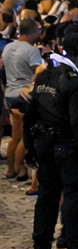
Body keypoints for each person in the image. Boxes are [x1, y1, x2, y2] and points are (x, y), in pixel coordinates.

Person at [26, 32, 78, 249]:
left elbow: (30, 114)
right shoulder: (74, 80)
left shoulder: (44, 76)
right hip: (67, 147)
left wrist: (30, 147)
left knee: (46, 198)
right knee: (75, 199)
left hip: (44, 145)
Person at [3, 17, 43, 182]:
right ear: (32, 32)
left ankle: (10, 169)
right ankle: (20, 169)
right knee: (26, 137)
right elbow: (39, 71)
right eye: (38, 30)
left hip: (9, 94)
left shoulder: (8, 47)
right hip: (24, 95)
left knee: (15, 136)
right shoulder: (32, 51)